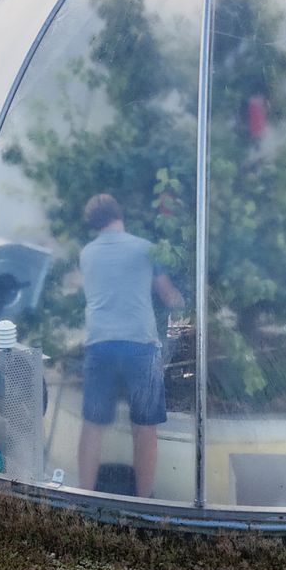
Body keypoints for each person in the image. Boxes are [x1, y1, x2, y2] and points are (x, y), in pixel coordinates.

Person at [77, 193, 185, 498]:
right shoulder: (145, 249)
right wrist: (183, 302)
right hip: (141, 345)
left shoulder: (87, 254)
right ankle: (142, 500)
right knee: (145, 426)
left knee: (92, 425)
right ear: (119, 215)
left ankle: (82, 497)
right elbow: (168, 296)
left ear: (94, 224)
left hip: (100, 345)